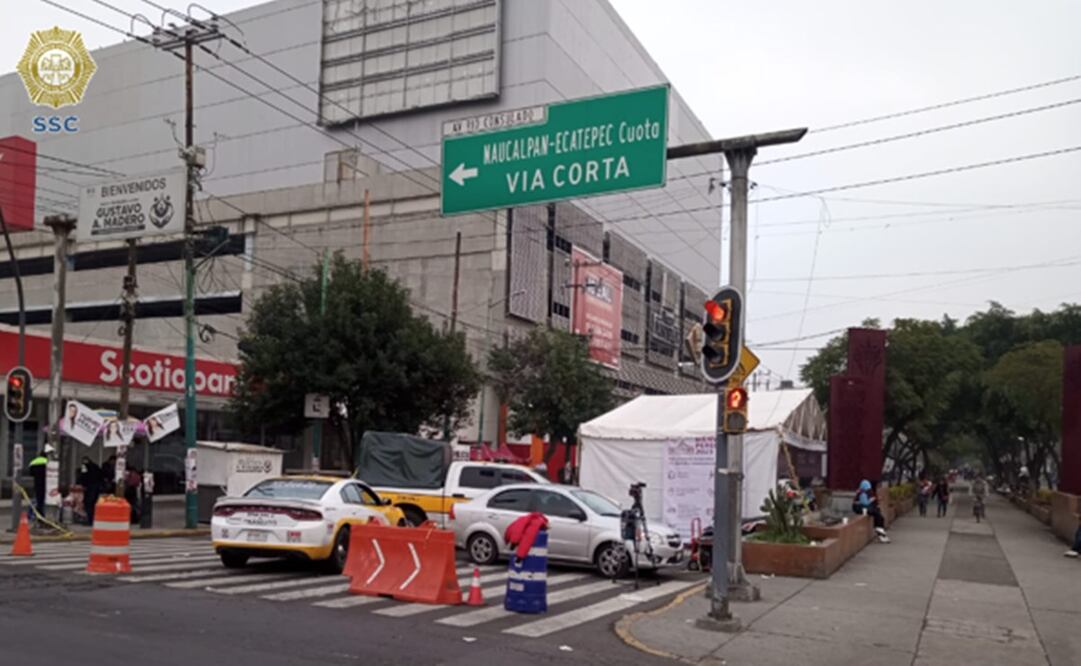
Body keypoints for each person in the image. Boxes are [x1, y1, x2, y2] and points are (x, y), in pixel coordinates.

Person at [76, 456, 104, 525]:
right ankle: (93, 520)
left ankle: (90, 520)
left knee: (88, 504)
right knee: (93, 504)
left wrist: (80, 483)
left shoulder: (85, 466)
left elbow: (83, 476)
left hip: (90, 488)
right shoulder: (95, 466)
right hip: (96, 487)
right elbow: (101, 475)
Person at [28, 446, 51, 522]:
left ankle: (34, 515)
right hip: (45, 483)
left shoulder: (34, 462)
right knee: (43, 500)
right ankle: (42, 515)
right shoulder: (48, 461)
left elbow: (31, 473)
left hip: (37, 483)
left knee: (37, 500)